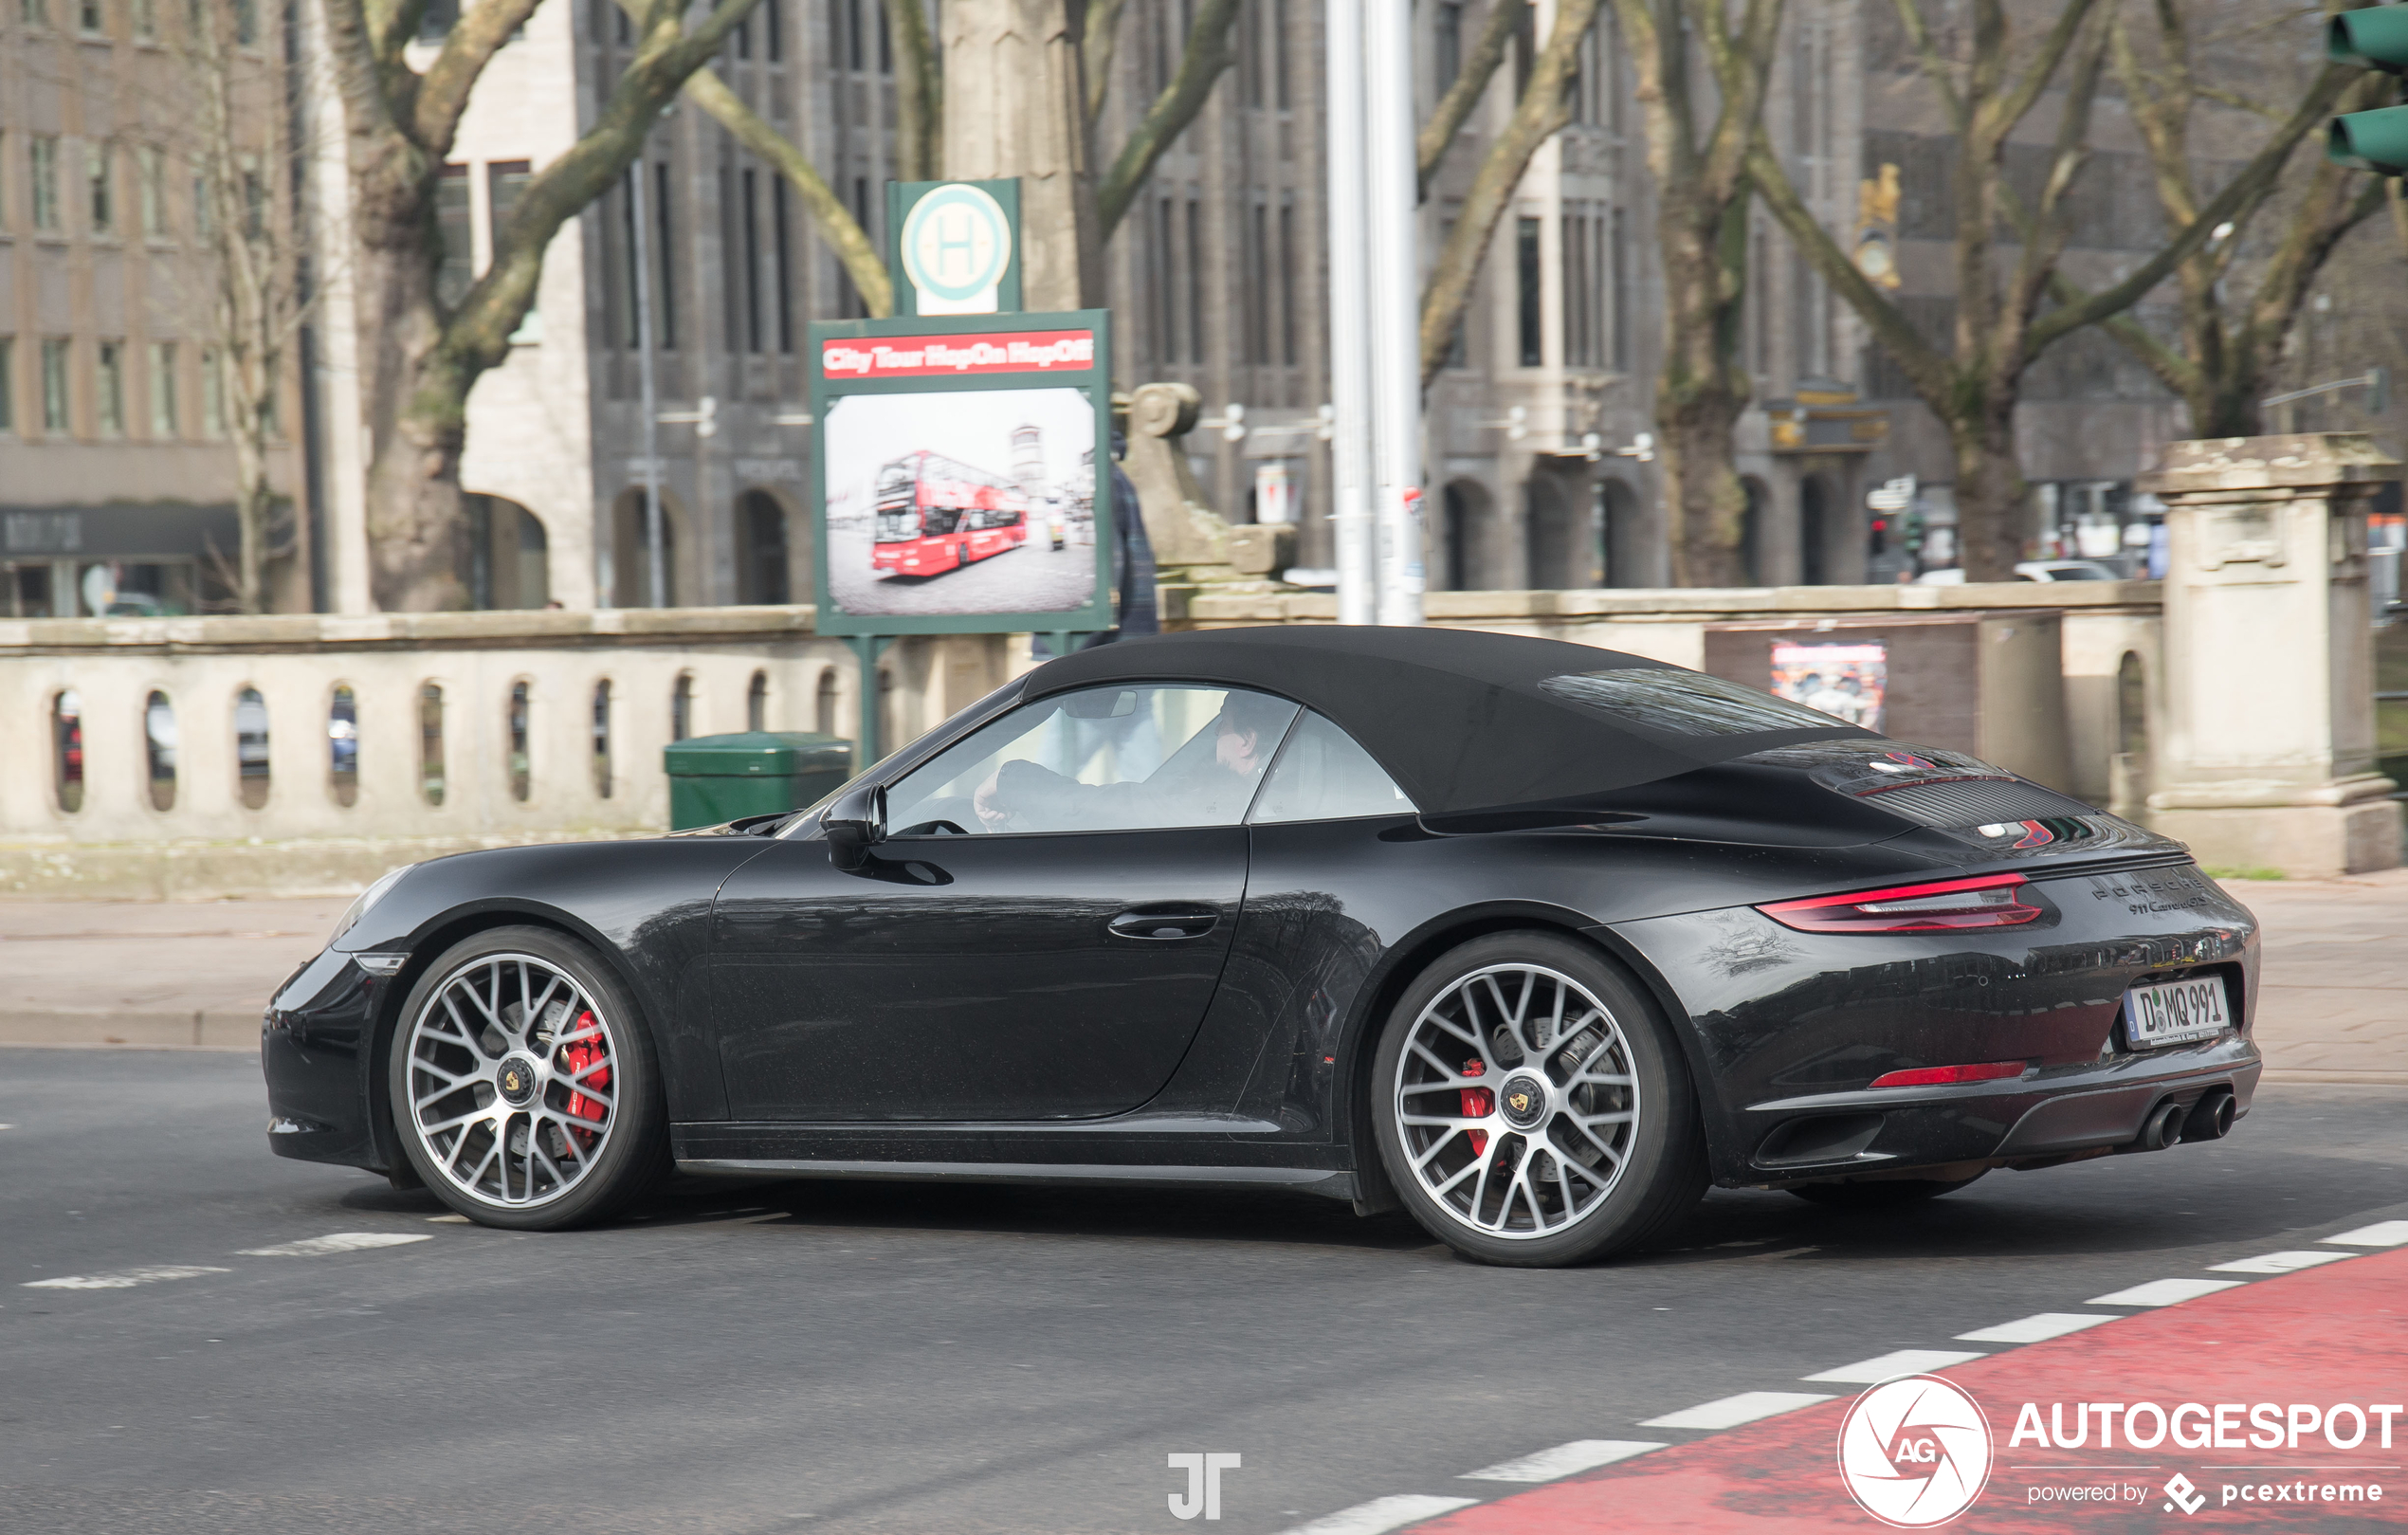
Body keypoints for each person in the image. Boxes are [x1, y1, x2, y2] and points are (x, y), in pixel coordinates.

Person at [971, 691, 1289, 833]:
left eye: (1224, 722)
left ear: (1247, 741)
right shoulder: (1282, 800)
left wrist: (1010, 779)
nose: (1217, 732)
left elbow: (1121, 808)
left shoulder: (1220, 809)